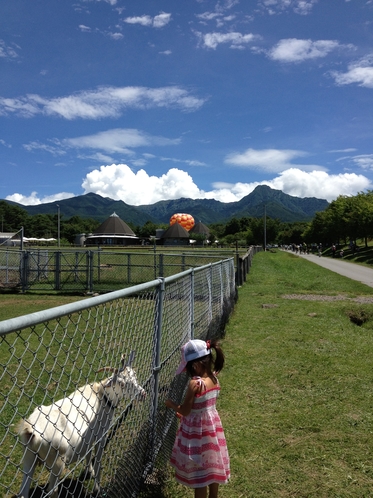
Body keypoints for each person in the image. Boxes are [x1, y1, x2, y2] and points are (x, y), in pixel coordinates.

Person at [165, 339, 230, 498]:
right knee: (212, 467)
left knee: (200, 474)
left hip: (197, 434)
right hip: (211, 429)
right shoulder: (214, 379)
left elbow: (186, 410)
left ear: (195, 366)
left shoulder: (195, 384)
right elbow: (201, 406)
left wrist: (172, 405)